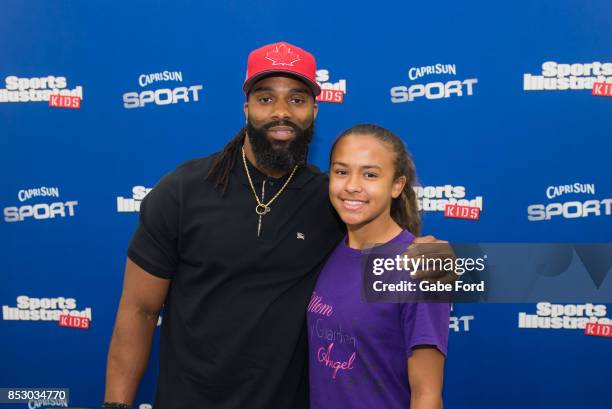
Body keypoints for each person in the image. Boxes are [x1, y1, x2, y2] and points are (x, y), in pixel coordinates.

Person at [103, 42, 455, 409]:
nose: (282, 112)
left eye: (297, 99)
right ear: (247, 108)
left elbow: (387, 247)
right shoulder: (183, 191)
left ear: (315, 111)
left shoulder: (331, 200)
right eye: (266, 98)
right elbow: (139, 310)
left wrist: (448, 260)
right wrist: (116, 405)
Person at [308, 124, 450, 409]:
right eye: (341, 171)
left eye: (370, 174)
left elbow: (427, 395)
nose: (352, 186)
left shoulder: (421, 266)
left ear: (397, 185)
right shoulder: (328, 248)